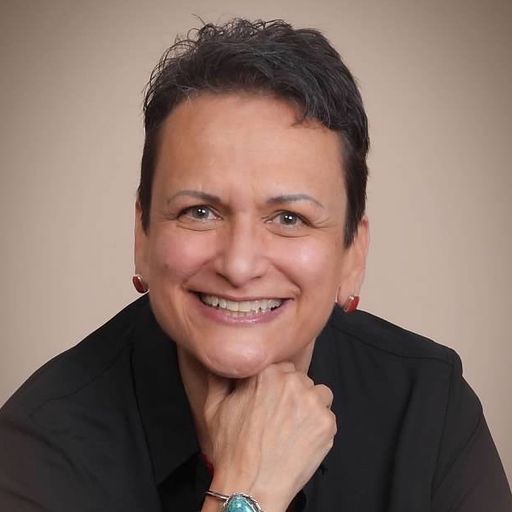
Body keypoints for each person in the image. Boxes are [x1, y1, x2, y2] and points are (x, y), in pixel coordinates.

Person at [0, 18, 510, 512]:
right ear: (143, 236)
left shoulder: (429, 406)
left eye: (289, 218)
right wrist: (248, 491)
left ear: (353, 254)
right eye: (199, 212)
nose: (240, 265)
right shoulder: (35, 451)